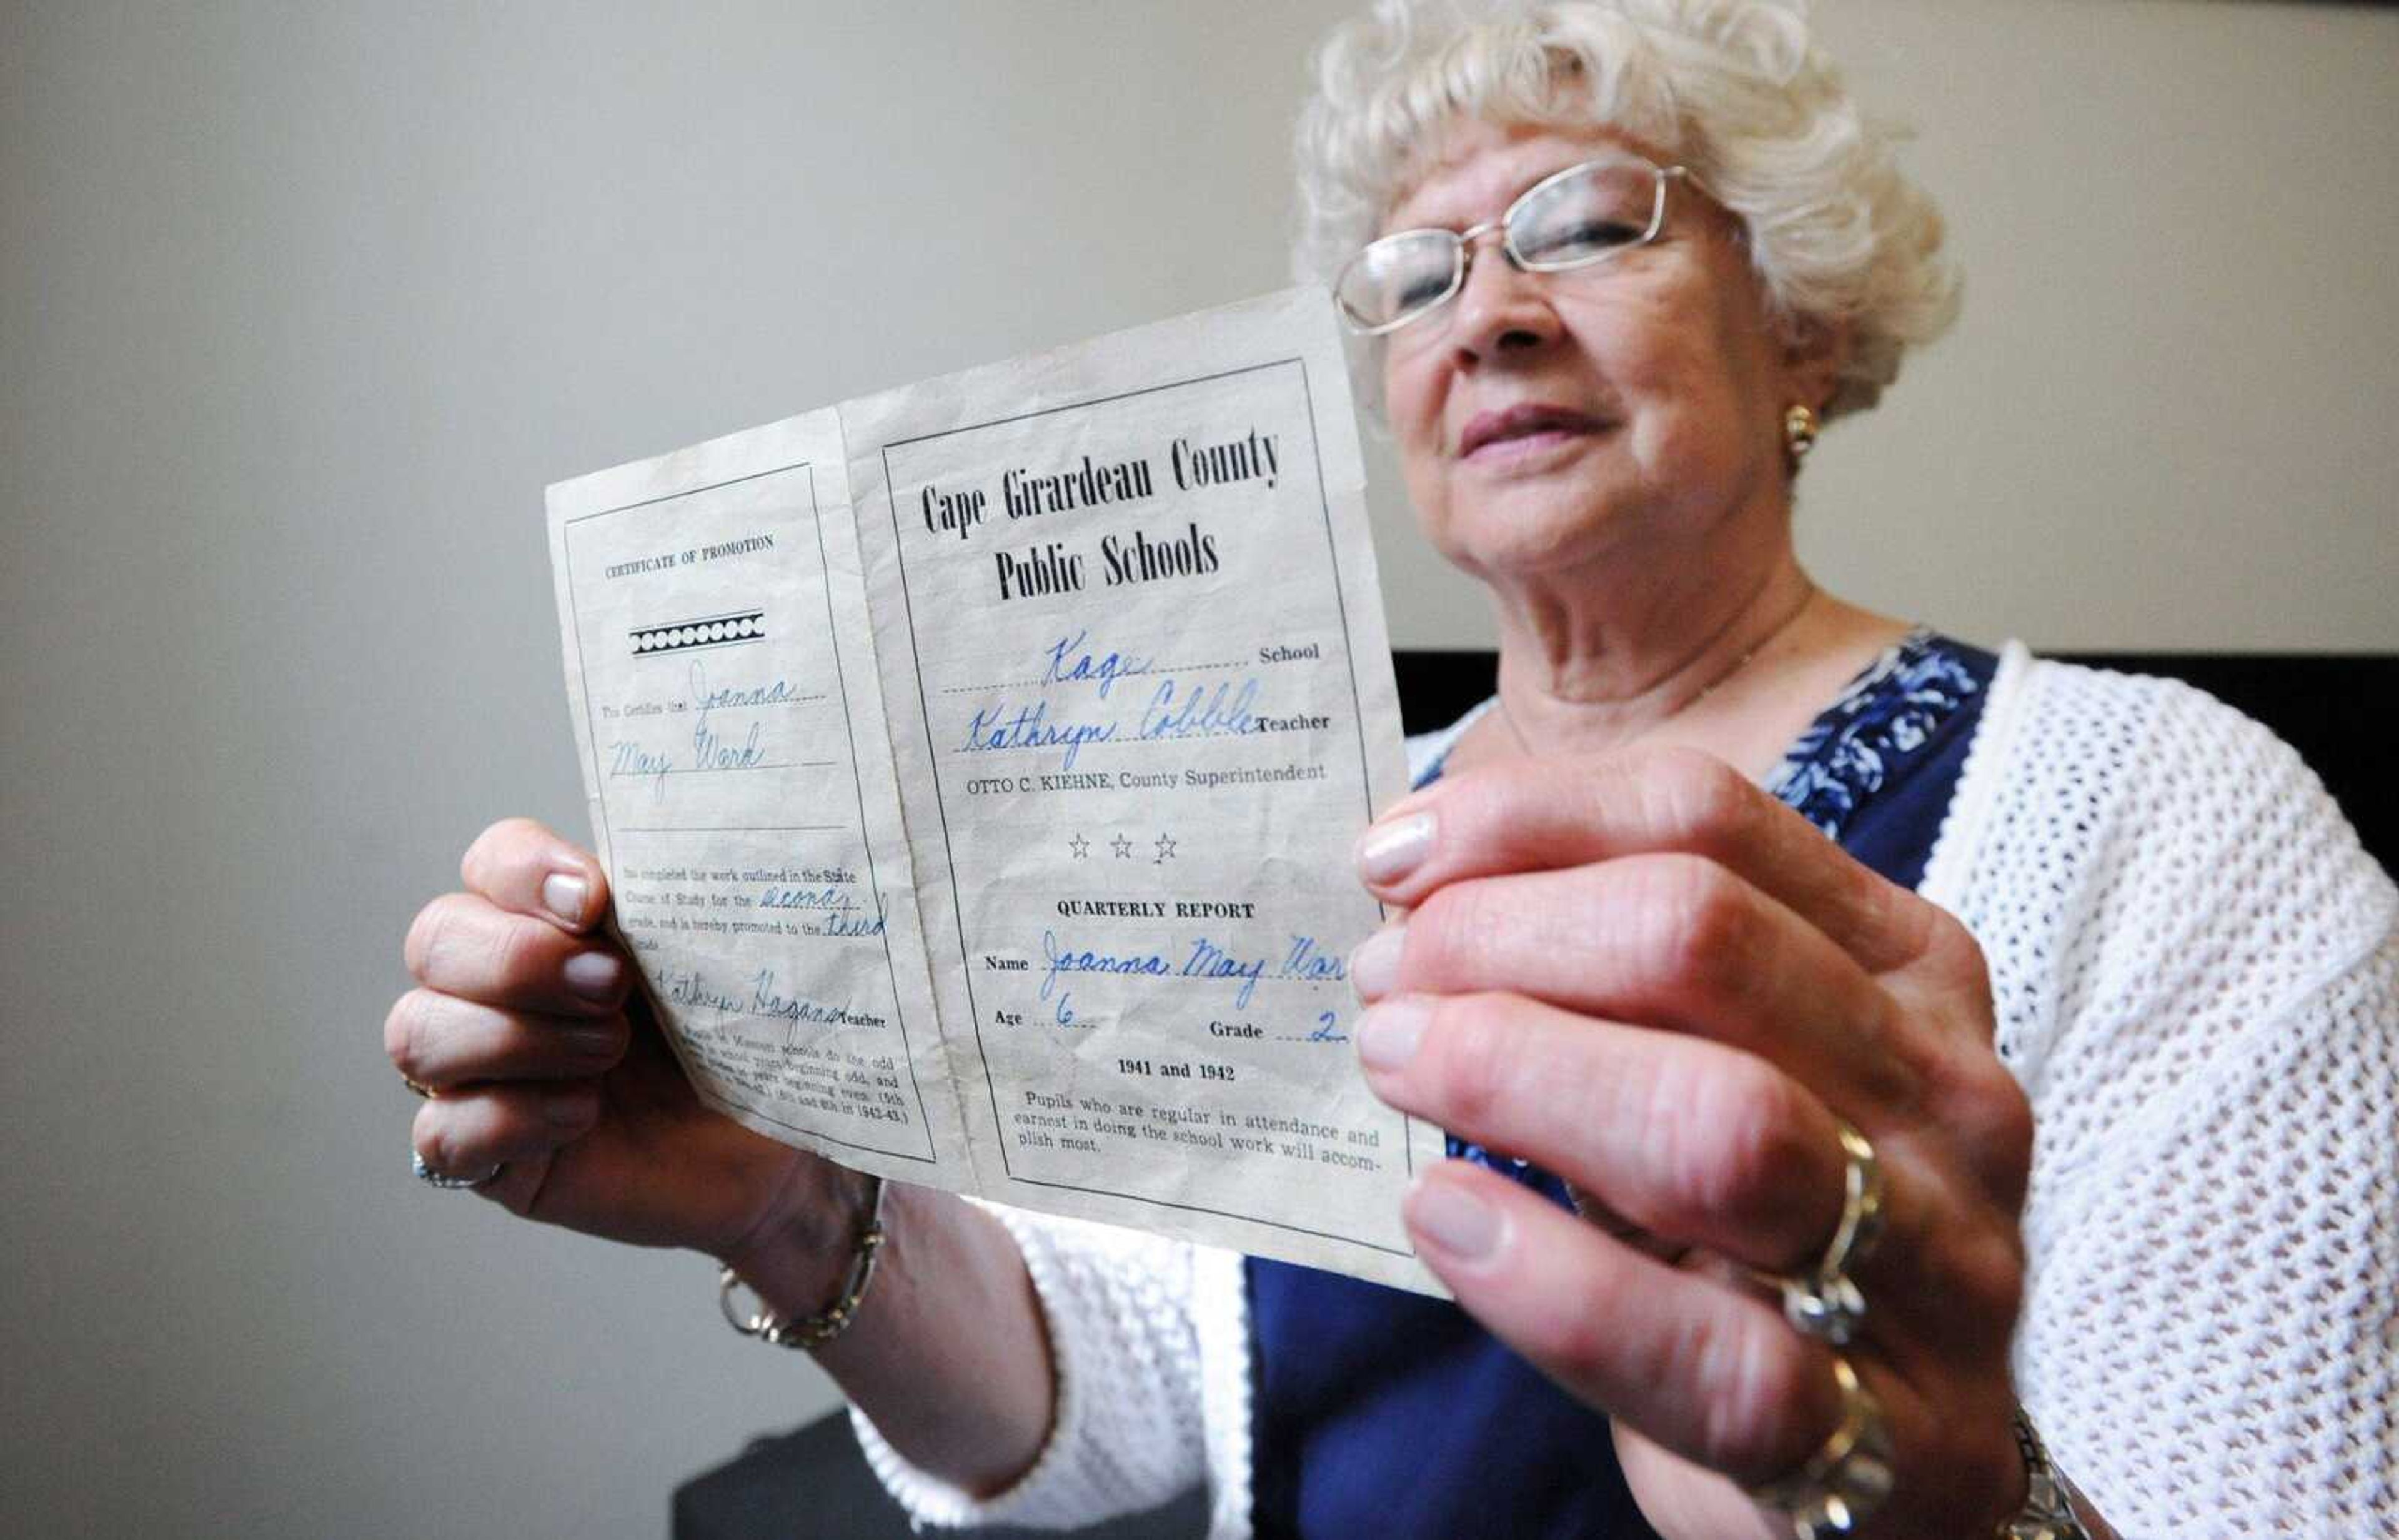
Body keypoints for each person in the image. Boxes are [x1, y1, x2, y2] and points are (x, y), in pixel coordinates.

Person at [384, 2, 2398, 1534]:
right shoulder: (1307, 820)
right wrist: (785, 1198)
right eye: (1417, 280)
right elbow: (1115, 1389)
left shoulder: (2176, 813)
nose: (1487, 316)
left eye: (1586, 226)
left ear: (1801, 325)